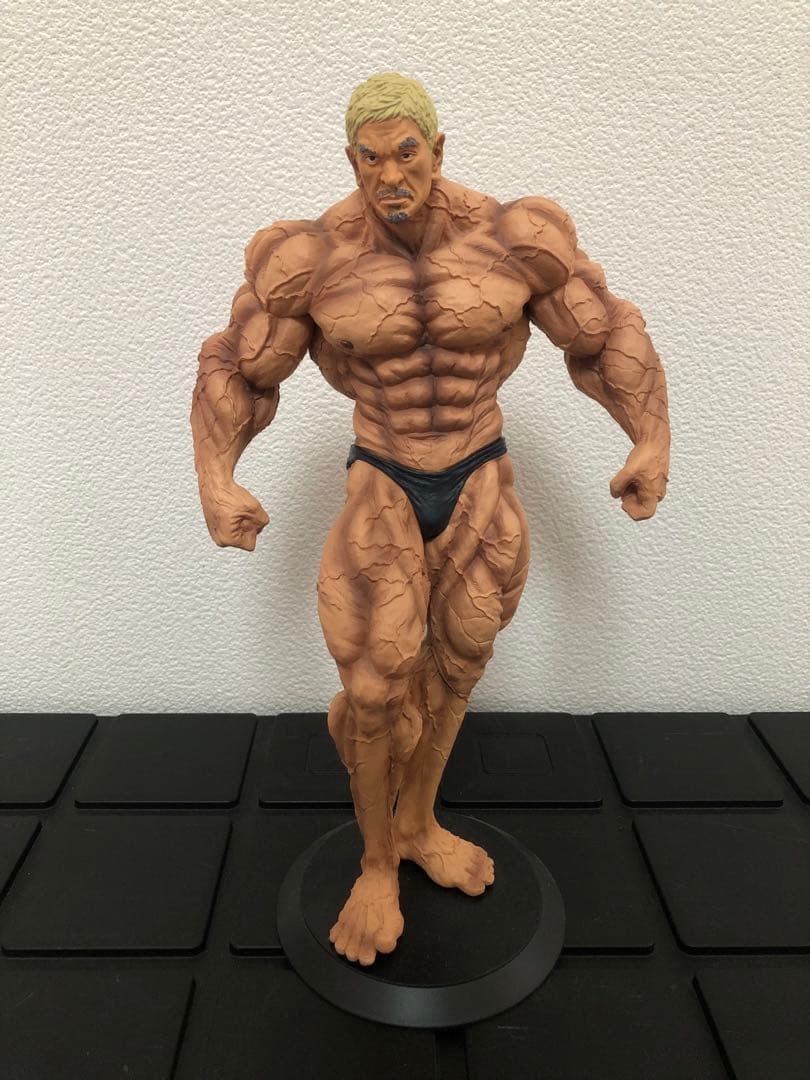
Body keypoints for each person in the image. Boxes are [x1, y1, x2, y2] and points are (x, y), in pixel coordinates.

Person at [191, 72, 670, 967]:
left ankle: (416, 823)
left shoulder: (515, 237)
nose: (390, 175)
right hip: (385, 474)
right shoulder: (310, 258)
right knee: (377, 686)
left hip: (479, 471)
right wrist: (216, 477)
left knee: (456, 665)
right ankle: (376, 864)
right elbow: (242, 369)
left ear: (438, 149)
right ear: (350, 161)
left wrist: (649, 437)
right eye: (370, 159)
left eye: (406, 153)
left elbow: (602, 336)